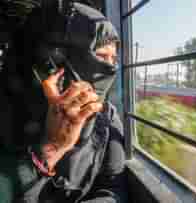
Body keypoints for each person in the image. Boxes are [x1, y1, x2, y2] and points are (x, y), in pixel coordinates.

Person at [0, 2, 128, 203]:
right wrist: (53, 147)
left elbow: (113, 188)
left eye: (114, 59)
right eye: (101, 56)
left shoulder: (106, 116)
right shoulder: (8, 109)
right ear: (55, 61)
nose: (110, 68)